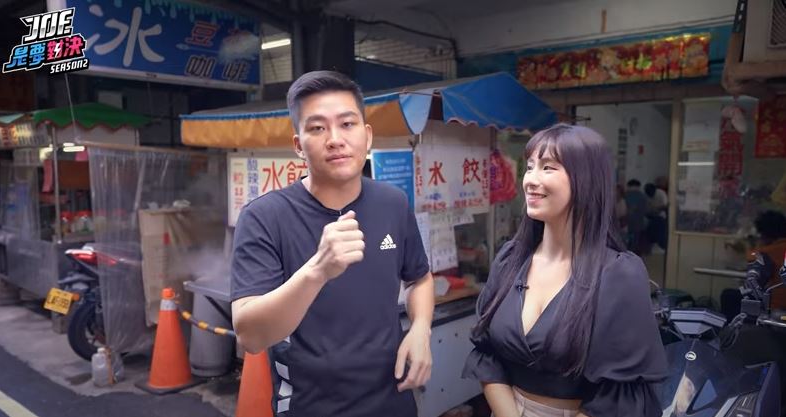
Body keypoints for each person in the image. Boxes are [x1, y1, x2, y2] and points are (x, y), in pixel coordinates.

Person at [230, 70, 435, 417]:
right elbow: (250, 335)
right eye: (317, 128)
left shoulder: (393, 203)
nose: (335, 139)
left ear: (367, 135)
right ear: (299, 145)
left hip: (393, 398)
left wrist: (420, 330)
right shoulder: (265, 217)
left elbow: (420, 278)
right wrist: (317, 270)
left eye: (347, 124)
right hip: (310, 406)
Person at [462, 124, 667, 417]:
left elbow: (621, 394)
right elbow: (487, 356)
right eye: (529, 167)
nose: (531, 180)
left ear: (586, 180)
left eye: (547, 167)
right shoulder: (510, 260)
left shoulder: (619, 274)